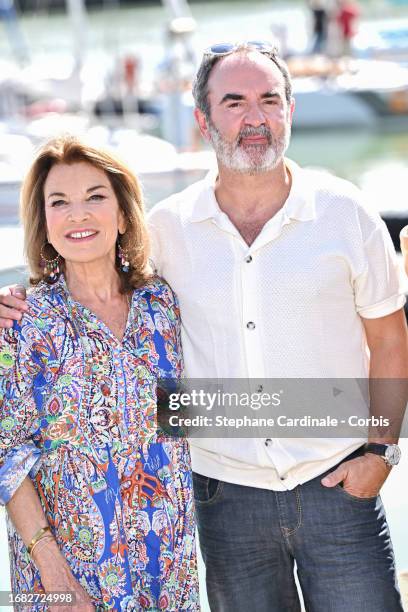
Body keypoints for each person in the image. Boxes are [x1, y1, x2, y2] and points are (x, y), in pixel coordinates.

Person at [1, 42, 407, 611]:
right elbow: (13, 441)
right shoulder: (168, 232)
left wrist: (381, 452)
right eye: (234, 102)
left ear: (290, 109)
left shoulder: (345, 213)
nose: (254, 117)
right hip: (221, 503)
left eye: (269, 100)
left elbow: (389, 336)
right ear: (203, 118)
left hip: (333, 489)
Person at [0, 136, 199, 610]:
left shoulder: (162, 306)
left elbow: (182, 417)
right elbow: (7, 456)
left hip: (166, 565)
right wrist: (52, 569)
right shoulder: (22, 322)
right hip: (68, 571)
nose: (78, 214)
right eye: (59, 202)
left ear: (125, 214)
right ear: (45, 224)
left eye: (95, 197)